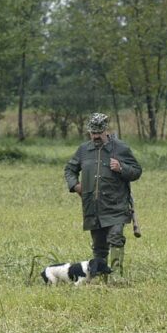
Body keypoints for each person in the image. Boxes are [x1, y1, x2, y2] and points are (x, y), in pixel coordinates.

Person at [64, 113, 142, 277]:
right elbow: (70, 170)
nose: (96, 136)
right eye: (93, 133)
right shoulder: (84, 150)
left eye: (99, 132)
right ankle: (101, 276)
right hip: (93, 207)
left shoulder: (120, 148)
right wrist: (76, 186)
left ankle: (116, 275)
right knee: (99, 246)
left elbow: (137, 171)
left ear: (106, 130)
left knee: (115, 237)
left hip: (116, 206)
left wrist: (121, 168)